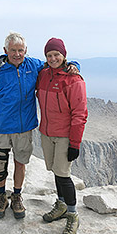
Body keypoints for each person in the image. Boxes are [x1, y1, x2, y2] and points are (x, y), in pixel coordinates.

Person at [0, 32, 79, 220]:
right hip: (2, 127)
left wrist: (75, 66)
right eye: (13, 50)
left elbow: (57, 62)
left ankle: (17, 196)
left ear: (25, 50)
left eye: (20, 50)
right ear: (5, 51)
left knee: (21, 162)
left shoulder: (33, 66)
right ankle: (1, 196)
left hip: (24, 127)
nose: (17, 54)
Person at [36, 38, 88, 233]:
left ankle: (73, 214)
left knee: (64, 175)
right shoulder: (43, 74)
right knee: (56, 171)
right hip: (47, 133)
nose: (52, 58)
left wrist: (75, 143)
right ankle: (62, 203)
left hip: (65, 136)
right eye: (49, 55)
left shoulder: (74, 80)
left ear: (64, 55)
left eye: (56, 54)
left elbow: (80, 114)